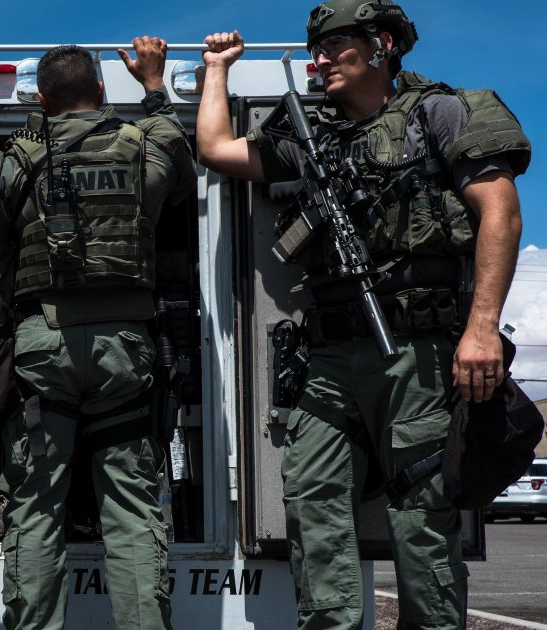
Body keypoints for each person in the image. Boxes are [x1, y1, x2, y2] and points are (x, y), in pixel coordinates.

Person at [196, 1, 529, 627]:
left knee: (423, 510)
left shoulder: (442, 113)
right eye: (314, 49)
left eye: (335, 46)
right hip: (330, 356)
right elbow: (216, 148)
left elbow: (501, 214)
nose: (320, 59)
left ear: (380, 45)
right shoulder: (310, 139)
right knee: (311, 494)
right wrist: (217, 68)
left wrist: (482, 327)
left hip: (419, 351)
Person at [0, 37, 196, 629]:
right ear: (103, 90)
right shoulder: (147, 147)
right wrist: (155, 88)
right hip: (125, 350)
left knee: (35, 508)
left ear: (40, 98)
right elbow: (183, 166)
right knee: (133, 511)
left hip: (43, 349)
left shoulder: (7, 163)